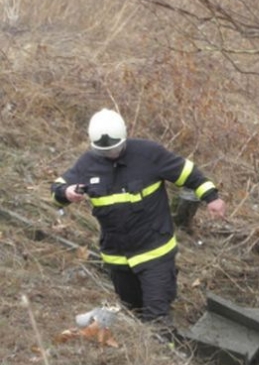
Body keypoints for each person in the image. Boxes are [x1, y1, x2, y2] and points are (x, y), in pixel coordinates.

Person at [51, 108, 226, 337]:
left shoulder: (148, 154)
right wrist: (67, 192)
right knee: (133, 313)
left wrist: (212, 197)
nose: (111, 153)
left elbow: (189, 174)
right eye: (104, 150)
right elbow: (57, 191)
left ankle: (165, 362)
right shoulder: (88, 163)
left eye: (114, 148)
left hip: (155, 253)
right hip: (117, 258)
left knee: (157, 318)